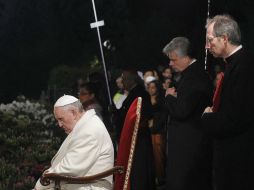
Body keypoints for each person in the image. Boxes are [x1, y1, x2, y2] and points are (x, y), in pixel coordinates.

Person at [202, 14, 254, 190]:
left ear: (224, 38)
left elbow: (236, 117)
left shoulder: (244, 65)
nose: (207, 46)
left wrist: (208, 117)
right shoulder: (235, 64)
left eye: (210, 40)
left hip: (238, 159)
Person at [162, 37, 213, 190]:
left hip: (190, 148)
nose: (170, 64)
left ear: (185, 57)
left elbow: (181, 110)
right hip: (189, 145)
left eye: (173, 59)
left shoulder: (194, 77)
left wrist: (169, 97)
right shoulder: (191, 75)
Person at [34, 95, 114, 190]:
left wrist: (40, 185)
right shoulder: (85, 125)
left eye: (61, 119)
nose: (59, 124)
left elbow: (70, 169)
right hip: (78, 184)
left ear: (74, 113)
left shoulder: (89, 130)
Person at [116, 69, 156, 190]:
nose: (122, 82)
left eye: (124, 79)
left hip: (138, 137)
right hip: (135, 136)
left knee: (140, 168)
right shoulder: (133, 93)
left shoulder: (139, 94)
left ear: (131, 79)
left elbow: (141, 114)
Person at [147, 80, 167, 185]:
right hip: (148, 132)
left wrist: (155, 126)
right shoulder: (146, 101)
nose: (151, 89)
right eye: (149, 87)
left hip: (158, 131)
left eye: (153, 87)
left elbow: (163, 117)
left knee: (159, 156)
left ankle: (161, 178)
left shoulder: (161, 101)